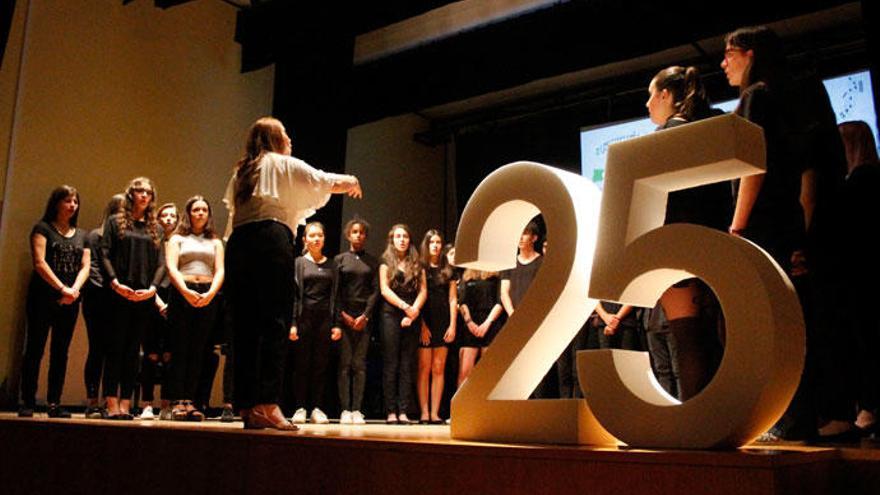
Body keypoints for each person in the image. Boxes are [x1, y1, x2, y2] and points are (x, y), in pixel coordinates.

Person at [722, 25, 849, 441]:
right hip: (789, 224)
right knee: (797, 322)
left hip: (763, 225)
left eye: (729, 54)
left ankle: (791, 418)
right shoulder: (794, 96)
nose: (724, 64)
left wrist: (737, 225)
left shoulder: (757, 97)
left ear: (750, 53)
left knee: (771, 325)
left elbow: (754, 166)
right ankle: (807, 416)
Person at [224, 116, 361, 430]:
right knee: (274, 321)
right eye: (285, 134)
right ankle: (268, 405)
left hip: (239, 244)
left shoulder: (242, 170)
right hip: (270, 241)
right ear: (274, 139)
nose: (290, 139)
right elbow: (321, 179)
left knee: (245, 327)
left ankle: (247, 405)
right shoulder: (279, 163)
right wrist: (351, 179)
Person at [644, 65, 730, 400]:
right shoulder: (710, 129)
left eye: (650, 96)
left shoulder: (665, 136)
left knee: (689, 340)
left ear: (666, 95)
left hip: (677, 247)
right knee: (714, 338)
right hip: (715, 243)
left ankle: (699, 427)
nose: (647, 105)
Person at [18, 186, 90, 418]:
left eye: (75, 202)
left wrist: (74, 290)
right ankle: (27, 400)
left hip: (70, 300)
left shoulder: (82, 235)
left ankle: (54, 402)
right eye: (67, 200)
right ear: (56, 203)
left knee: (61, 351)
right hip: (43, 297)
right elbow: (40, 262)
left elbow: (86, 266)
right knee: (35, 349)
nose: (72, 205)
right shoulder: (43, 228)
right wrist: (61, 288)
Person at [101, 177, 165, 420]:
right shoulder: (115, 222)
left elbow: (160, 263)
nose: (144, 196)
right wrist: (114, 282)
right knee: (115, 348)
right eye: (140, 191)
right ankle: (110, 402)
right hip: (119, 292)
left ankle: (126, 403)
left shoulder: (156, 228)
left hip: (143, 295)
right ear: (131, 194)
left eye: (148, 192)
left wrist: (152, 288)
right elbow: (105, 253)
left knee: (133, 351)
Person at [165, 196, 225, 421]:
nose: (200, 213)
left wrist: (210, 294)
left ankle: (191, 401)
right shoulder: (177, 238)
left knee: (199, 350)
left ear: (209, 215)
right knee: (180, 348)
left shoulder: (216, 241)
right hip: (183, 292)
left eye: (204, 210)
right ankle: (176, 401)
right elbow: (171, 268)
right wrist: (186, 291)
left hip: (207, 294)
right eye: (196, 210)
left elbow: (219, 270)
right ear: (188, 213)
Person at [289, 222, 342, 424]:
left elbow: (336, 296)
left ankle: (317, 408)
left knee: (320, 366)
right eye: (312, 235)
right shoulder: (299, 263)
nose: (316, 239)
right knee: (302, 365)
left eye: (320, 235)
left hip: (324, 320)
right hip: (304, 319)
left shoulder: (333, 265)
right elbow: (294, 296)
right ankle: (300, 407)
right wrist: (293, 323)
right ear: (305, 239)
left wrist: (336, 323)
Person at [82, 193, 125, 419]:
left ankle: (110, 401)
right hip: (98, 299)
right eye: (119, 210)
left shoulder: (126, 238)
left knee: (114, 352)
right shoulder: (95, 235)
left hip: (118, 299)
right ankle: (92, 401)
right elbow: (94, 268)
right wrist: (111, 288)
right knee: (97, 349)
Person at [379, 224, 427, 424]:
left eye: (405, 236)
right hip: (391, 315)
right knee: (392, 364)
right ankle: (391, 411)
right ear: (392, 239)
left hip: (412, 317)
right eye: (398, 236)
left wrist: (414, 311)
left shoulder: (417, 264)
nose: (402, 240)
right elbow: (384, 289)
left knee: (408, 364)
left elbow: (423, 291)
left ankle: (403, 411)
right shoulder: (385, 262)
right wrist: (405, 307)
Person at [335, 218, 379, 425]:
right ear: (348, 235)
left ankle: (357, 409)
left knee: (359, 365)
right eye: (354, 232)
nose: (358, 235)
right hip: (344, 317)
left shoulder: (372, 262)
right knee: (345, 365)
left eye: (362, 232)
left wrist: (366, 315)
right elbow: (335, 292)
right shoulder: (340, 260)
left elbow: (375, 291)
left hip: (364, 318)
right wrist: (342, 315)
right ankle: (345, 409)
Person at [139, 202, 177, 420]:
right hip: (153, 302)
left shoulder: (181, 242)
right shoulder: (152, 242)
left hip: (176, 304)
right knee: (151, 355)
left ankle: (166, 404)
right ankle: (147, 404)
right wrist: (159, 303)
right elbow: (145, 274)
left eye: (173, 216)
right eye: (165, 215)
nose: (169, 219)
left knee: (170, 355)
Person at [500, 221, 546, 397]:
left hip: (534, 321)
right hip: (513, 320)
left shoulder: (542, 262)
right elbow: (504, 291)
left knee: (535, 365)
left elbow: (543, 293)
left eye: (525, 233)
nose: (520, 237)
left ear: (534, 238)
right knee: (513, 365)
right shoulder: (509, 263)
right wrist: (512, 314)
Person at [417, 230, 457, 424]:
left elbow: (452, 298)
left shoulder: (447, 269)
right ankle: (424, 412)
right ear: (426, 244)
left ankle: (434, 413)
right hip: (426, 320)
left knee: (438, 368)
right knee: (424, 367)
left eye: (438, 242)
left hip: (443, 321)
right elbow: (419, 297)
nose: (435, 245)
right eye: (432, 242)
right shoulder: (420, 267)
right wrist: (422, 325)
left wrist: (453, 325)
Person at [457, 269, 504, 388]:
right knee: (465, 371)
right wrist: (469, 323)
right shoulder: (467, 275)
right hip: (470, 324)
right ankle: (463, 406)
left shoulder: (497, 275)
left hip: (491, 324)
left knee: (488, 372)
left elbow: (500, 302)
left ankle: (487, 406)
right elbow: (462, 302)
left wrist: (487, 324)